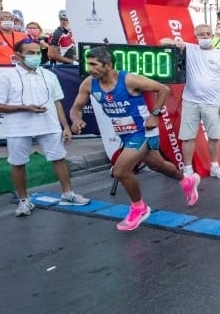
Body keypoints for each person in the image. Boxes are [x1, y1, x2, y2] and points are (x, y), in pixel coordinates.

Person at [70, 46, 189, 232]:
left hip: (143, 130)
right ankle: (186, 180)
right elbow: (76, 107)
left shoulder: (129, 80)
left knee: (120, 170)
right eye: (88, 64)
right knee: (157, 165)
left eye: (94, 65)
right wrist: (76, 120)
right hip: (125, 133)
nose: (90, 69)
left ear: (108, 65)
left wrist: (154, 115)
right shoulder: (89, 83)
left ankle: (139, 208)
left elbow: (163, 89)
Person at [0, 37, 90, 216]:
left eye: (38, 53)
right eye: (30, 53)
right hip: (18, 128)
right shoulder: (5, 77)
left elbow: (57, 102)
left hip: (49, 126)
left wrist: (65, 126)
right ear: (18, 55)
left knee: (59, 159)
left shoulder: (50, 75)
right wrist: (23, 108)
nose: (35, 56)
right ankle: (24, 201)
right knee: (18, 164)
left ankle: (68, 194)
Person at [172, 24, 220, 181]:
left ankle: (214, 166)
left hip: (213, 103)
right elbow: (163, 42)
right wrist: (174, 43)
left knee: (214, 137)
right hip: (190, 101)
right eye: (201, 35)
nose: (205, 37)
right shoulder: (190, 49)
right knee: (188, 137)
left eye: (208, 34)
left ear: (213, 35)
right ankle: (187, 169)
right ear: (195, 36)